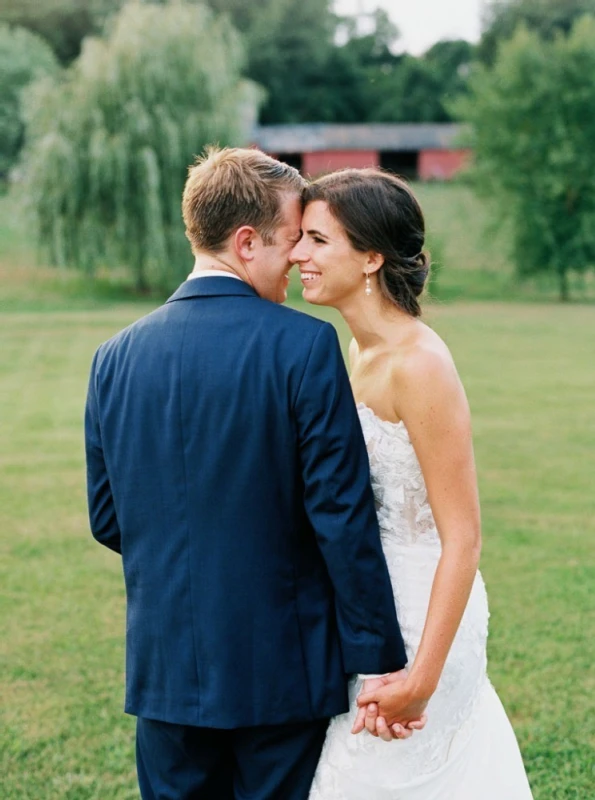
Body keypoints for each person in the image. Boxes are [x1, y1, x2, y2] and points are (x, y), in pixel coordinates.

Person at [84, 148, 418, 800]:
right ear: (245, 242)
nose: (298, 260)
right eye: (291, 241)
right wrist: (378, 661)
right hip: (280, 672)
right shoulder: (303, 345)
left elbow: (108, 519)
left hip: (164, 675)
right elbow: (340, 517)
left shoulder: (112, 358)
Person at [290, 168, 534, 799]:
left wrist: (421, 676)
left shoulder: (420, 365)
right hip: (367, 610)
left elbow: (465, 538)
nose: (296, 255)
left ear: (370, 256)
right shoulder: (355, 349)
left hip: (425, 620)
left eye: (316, 240)